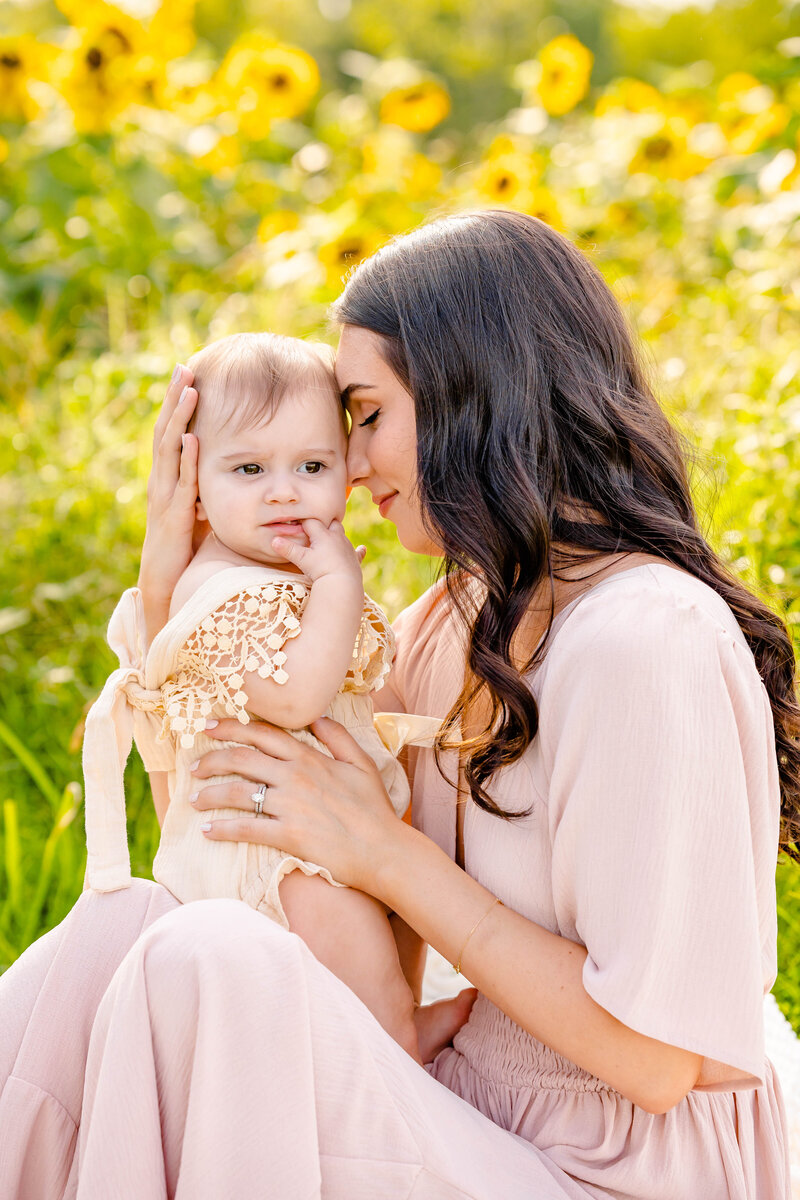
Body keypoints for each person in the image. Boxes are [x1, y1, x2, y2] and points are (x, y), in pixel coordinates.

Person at [0, 208, 797, 1199]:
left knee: (208, 959)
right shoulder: (445, 622)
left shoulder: (645, 640)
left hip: (619, 1170)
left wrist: (385, 854)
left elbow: (651, 1062)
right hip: (463, 1107)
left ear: (478, 394)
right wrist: (170, 585)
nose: (352, 465)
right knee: (131, 929)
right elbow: (214, 859)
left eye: (367, 415)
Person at [81, 330, 435, 1060]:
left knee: (357, 973)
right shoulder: (219, 591)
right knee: (371, 990)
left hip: (314, 827)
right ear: (197, 486)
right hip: (277, 855)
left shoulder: (271, 573)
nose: (284, 490)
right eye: (248, 468)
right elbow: (299, 695)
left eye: (312, 465)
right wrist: (339, 587)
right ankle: (401, 1036)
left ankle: (392, 1036)